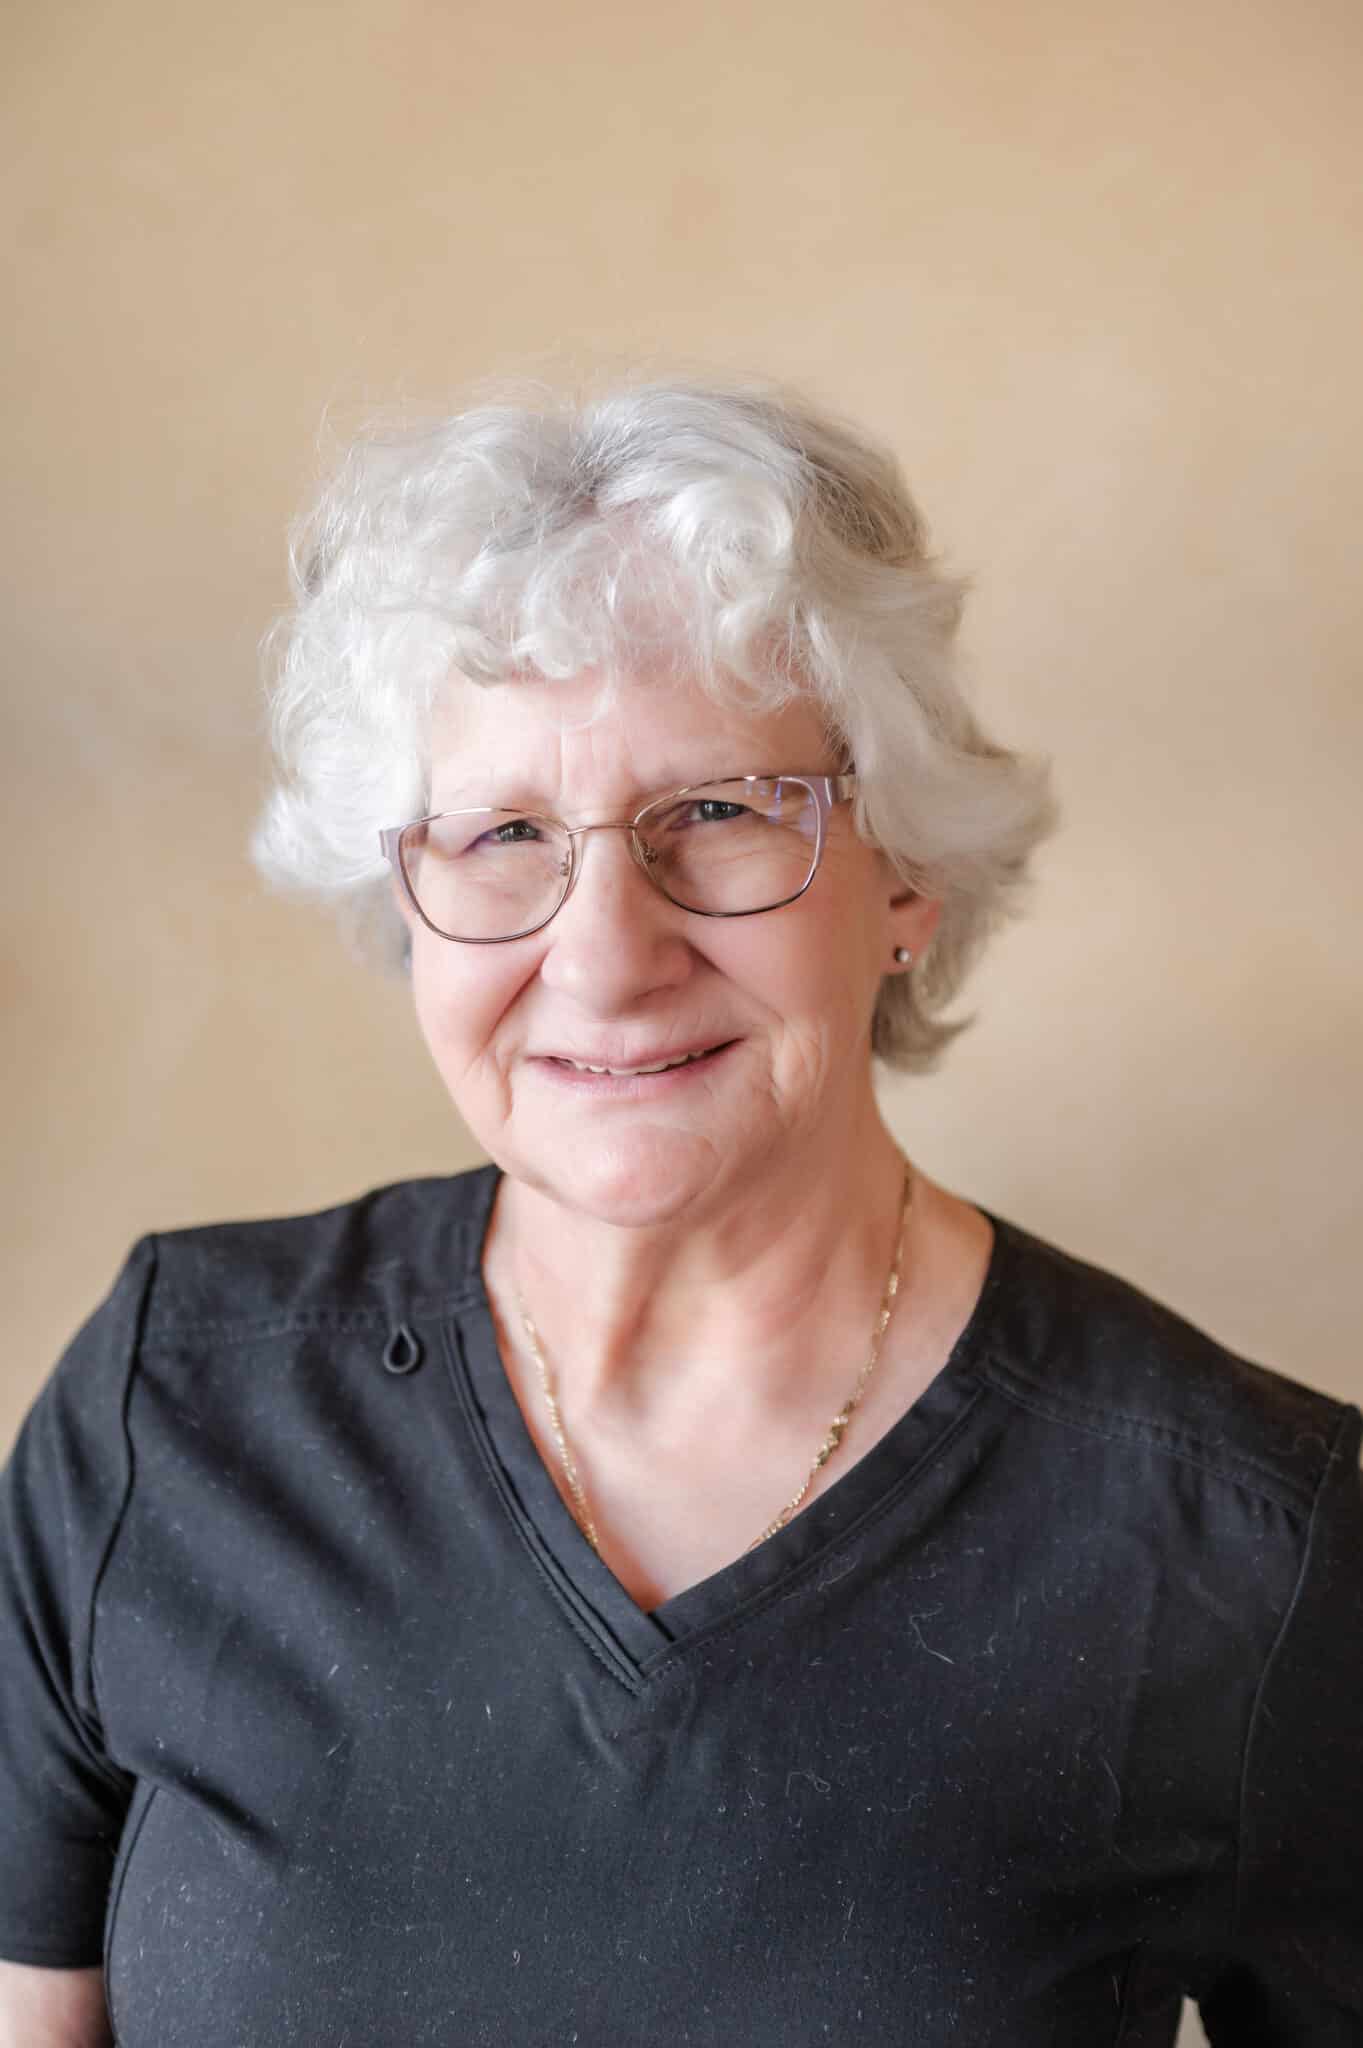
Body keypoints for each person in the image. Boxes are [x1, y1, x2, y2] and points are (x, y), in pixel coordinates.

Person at [1, 380, 1359, 2048]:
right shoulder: (173, 1407)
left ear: (908, 878)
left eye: (715, 813)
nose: (601, 956)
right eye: (503, 834)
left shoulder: (1256, 1543)